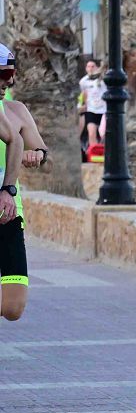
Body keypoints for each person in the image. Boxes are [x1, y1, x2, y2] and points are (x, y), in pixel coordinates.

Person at [0, 43, 50, 322]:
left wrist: (36, 154)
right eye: (2, 74)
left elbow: (40, 149)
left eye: (11, 74)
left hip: (7, 214)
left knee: (13, 308)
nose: (9, 81)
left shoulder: (16, 110)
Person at [78, 59, 106, 148]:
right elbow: (83, 95)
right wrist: (82, 105)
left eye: (93, 66)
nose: (90, 68)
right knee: (91, 132)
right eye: (88, 66)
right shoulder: (83, 81)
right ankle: (93, 153)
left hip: (103, 109)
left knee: (103, 134)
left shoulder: (103, 79)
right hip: (91, 109)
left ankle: (105, 153)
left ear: (97, 68)